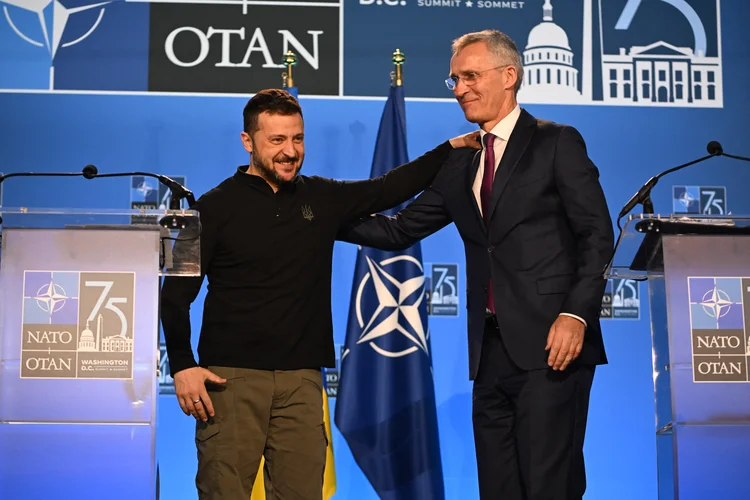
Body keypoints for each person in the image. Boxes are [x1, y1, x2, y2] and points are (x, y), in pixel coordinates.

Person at [159, 88, 480, 500]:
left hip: (302, 382)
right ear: (248, 142)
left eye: (297, 138)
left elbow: (387, 189)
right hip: (231, 380)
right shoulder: (212, 207)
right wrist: (183, 366)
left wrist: (449, 149)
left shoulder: (321, 197)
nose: (290, 151)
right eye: (276, 140)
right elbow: (175, 295)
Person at [337, 30, 614, 500]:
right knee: (498, 488)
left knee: (550, 485)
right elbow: (398, 230)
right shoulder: (461, 162)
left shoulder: (556, 142)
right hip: (489, 353)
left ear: (510, 76)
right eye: (454, 80)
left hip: (553, 346)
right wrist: (315, 216)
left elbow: (597, 235)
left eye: (470, 76)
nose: (460, 88)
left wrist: (576, 314)